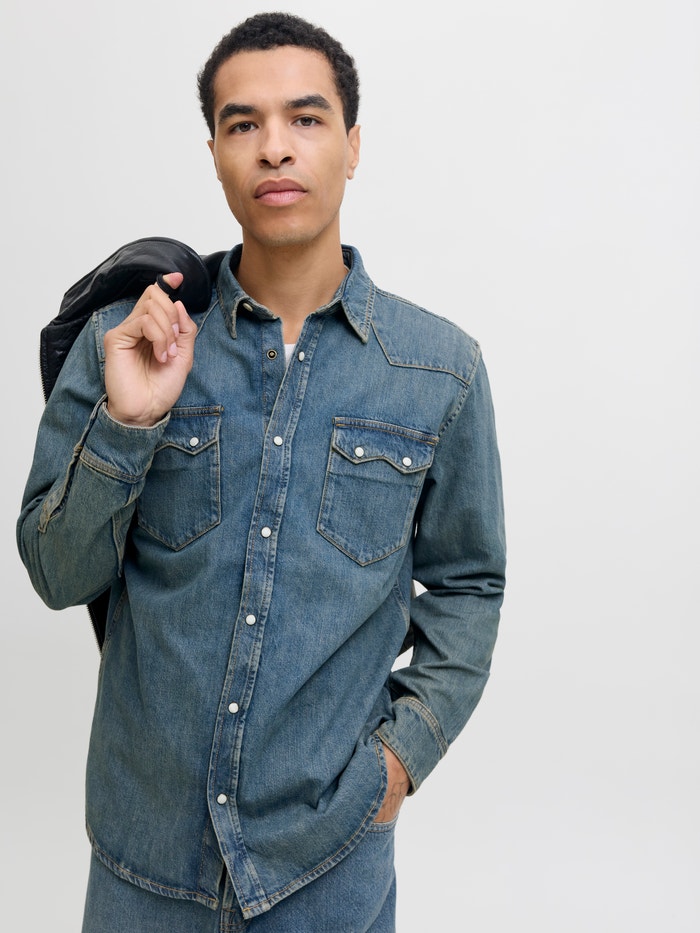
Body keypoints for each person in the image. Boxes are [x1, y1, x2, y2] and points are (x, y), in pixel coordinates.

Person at [17, 12, 506, 932]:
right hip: (142, 866)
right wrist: (129, 420)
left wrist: (399, 761)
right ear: (214, 152)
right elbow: (56, 573)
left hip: (328, 867)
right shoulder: (128, 337)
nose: (274, 147)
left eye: (306, 118)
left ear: (353, 145)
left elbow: (470, 583)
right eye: (242, 123)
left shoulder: (440, 370)